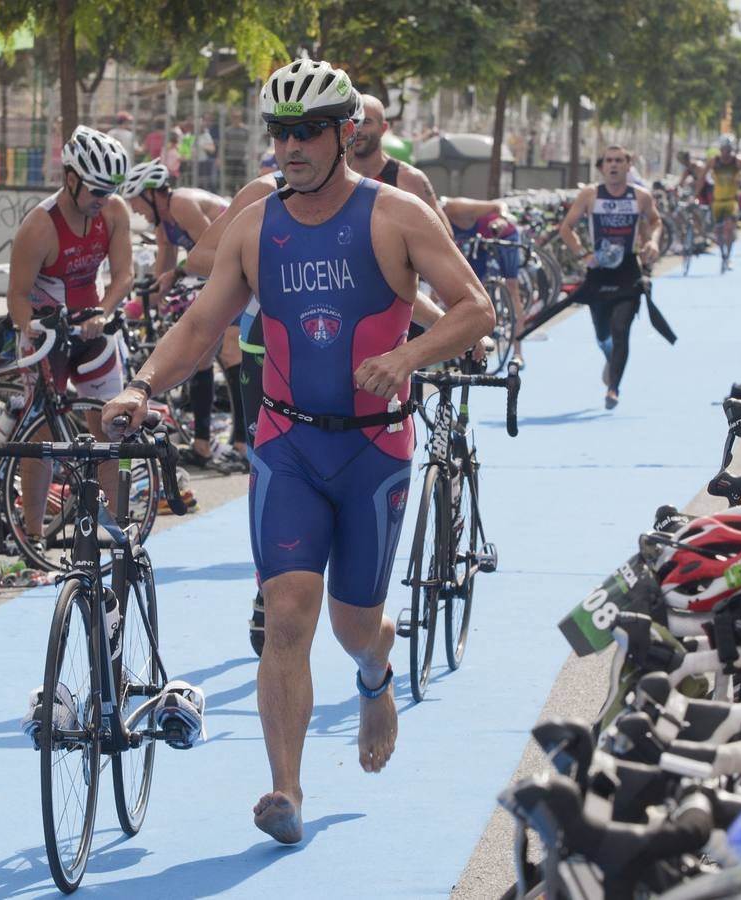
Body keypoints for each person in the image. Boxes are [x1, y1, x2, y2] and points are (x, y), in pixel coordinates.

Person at [102, 59, 494, 845]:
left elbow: (473, 308)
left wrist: (409, 360)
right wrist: (142, 386)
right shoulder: (254, 224)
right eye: (279, 132)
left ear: (346, 131)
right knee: (286, 616)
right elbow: (200, 326)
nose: (292, 146)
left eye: (308, 130)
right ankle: (285, 789)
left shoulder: (397, 215)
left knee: (354, 627)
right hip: (285, 443)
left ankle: (376, 669)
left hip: (373, 450)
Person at [5, 126, 132, 560]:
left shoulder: (114, 213)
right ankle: (34, 532)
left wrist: (106, 312)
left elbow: (123, 276)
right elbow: (17, 296)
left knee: (111, 425)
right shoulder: (40, 226)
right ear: (72, 179)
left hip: (90, 326)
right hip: (47, 333)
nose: (104, 197)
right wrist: (33, 334)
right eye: (96, 189)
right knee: (41, 434)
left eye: (110, 189)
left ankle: (116, 527)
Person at [120, 159, 247, 472]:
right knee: (202, 359)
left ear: (151, 193)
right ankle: (203, 445)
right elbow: (164, 273)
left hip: (239, 271)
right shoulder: (164, 225)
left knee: (230, 352)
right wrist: (138, 305)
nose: (136, 211)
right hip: (216, 276)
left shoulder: (182, 204)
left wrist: (179, 277)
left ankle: (244, 445)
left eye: (135, 201)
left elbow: (216, 252)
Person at [558, 145, 662, 410]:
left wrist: (652, 243)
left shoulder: (640, 196)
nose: (614, 165)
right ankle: (610, 355)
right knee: (603, 332)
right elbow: (566, 228)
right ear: (602, 166)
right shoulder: (590, 195)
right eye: (609, 161)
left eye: (619, 161)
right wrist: (583, 254)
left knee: (620, 330)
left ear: (628, 166)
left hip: (629, 269)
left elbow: (655, 222)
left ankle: (614, 388)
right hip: (599, 271)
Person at [443, 196, 526, 365]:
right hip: (477, 243)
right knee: (470, 290)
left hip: (503, 234)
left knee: (512, 288)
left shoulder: (457, 207)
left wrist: (502, 218)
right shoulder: (435, 226)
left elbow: (498, 205)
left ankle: (518, 352)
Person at [348, 94, 450, 229]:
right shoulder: (334, 177)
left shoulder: (410, 178)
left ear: (383, 128)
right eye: (354, 122)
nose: (358, 130)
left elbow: (445, 234)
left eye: (366, 122)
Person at [697, 134, 741, 272]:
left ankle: (729, 256)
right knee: (718, 232)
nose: (726, 151)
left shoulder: (737, 162)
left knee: (729, 229)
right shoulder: (714, 162)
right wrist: (696, 194)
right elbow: (701, 178)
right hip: (717, 201)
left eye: (729, 148)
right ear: (720, 148)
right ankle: (723, 255)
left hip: (731, 201)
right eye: (724, 148)